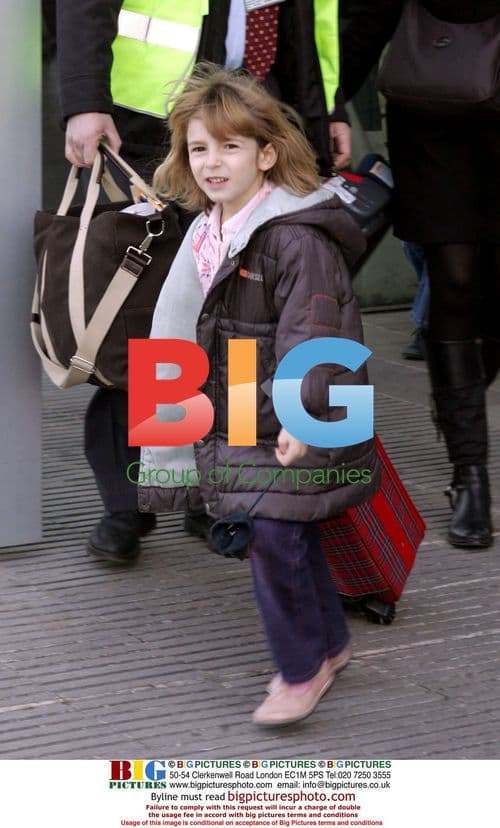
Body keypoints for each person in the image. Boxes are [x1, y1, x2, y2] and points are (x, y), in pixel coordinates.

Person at [55, 0, 353, 565]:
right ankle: (128, 500)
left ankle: (214, 491)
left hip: (258, 121)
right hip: (151, 124)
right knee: (145, 322)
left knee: (241, 325)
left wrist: (326, 111)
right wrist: (85, 99)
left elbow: (310, 20)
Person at [137, 65, 380, 725]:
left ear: (267, 153)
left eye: (231, 146)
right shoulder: (209, 229)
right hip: (247, 403)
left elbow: (316, 327)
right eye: (199, 148)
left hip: (307, 403)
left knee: (273, 535)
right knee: (288, 530)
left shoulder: (295, 235)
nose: (213, 162)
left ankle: (298, 672)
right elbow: (187, 327)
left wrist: (303, 412)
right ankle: (328, 648)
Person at [339, 0, 499, 548]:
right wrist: (332, 103)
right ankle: (469, 472)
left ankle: (461, 390)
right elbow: (367, 21)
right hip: (433, 119)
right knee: (453, 281)